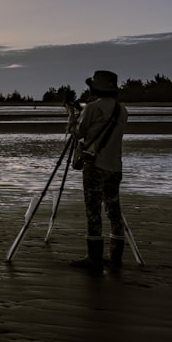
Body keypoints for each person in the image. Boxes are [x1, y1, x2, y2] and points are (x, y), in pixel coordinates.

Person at [71, 70, 129, 271]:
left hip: (95, 166)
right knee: (114, 210)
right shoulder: (122, 111)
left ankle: (94, 257)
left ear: (95, 89)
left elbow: (77, 133)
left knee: (93, 210)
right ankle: (115, 255)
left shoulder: (93, 108)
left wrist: (73, 115)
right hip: (115, 167)